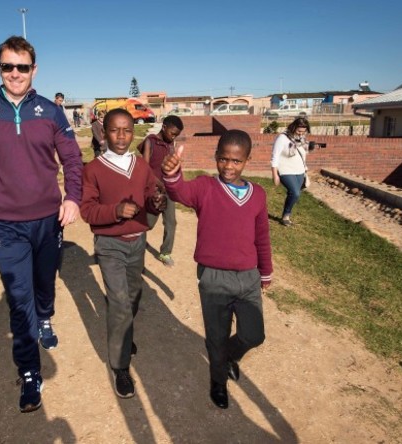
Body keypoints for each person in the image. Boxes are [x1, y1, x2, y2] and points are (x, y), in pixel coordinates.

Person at [0, 36, 83, 413]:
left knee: (44, 285)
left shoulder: (51, 112)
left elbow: (73, 159)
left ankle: (46, 319)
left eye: (22, 67)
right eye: (8, 66)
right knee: (19, 299)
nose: (15, 73)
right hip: (7, 226)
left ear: (34, 70)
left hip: (48, 221)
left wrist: (72, 196)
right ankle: (29, 372)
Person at [161, 129, 272, 410]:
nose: (229, 166)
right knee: (216, 336)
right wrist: (172, 174)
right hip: (213, 277)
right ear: (216, 157)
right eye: (223, 159)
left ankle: (226, 357)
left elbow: (262, 236)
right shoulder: (205, 188)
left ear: (247, 160)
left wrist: (266, 270)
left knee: (253, 334)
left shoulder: (258, 194)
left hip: (248, 277)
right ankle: (218, 380)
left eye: (236, 161)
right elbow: (179, 192)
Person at [80, 109, 165, 398]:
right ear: (104, 133)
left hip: (137, 243)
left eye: (127, 130)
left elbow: (153, 197)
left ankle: (125, 333)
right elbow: (87, 211)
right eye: (115, 130)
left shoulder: (141, 165)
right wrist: (115, 211)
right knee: (118, 303)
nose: (121, 136)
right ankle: (120, 367)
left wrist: (157, 201)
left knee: (132, 297)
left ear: (133, 133)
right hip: (109, 245)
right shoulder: (93, 169)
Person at [139, 115, 184, 267]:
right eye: (172, 133)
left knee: (171, 222)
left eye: (176, 135)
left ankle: (165, 253)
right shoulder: (150, 142)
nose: (173, 137)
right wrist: (158, 184)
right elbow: (144, 169)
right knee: (149, 223)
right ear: (164, 127)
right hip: (154, 190)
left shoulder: (170, 143)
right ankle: (136, 242)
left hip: (168, 189)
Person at [271, 117, 310, 226]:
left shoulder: (302, 139)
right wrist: (275, 175)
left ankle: (286, 214)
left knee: (294, 194)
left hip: (299, 170)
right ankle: (286, 216)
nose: (301, 134)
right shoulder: (282, 138)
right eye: (299, 131)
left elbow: (303, 155)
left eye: (303, 131)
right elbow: (275, 157)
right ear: (293, 127)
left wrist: (305, 169)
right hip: (285, 170)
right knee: (295, 192)